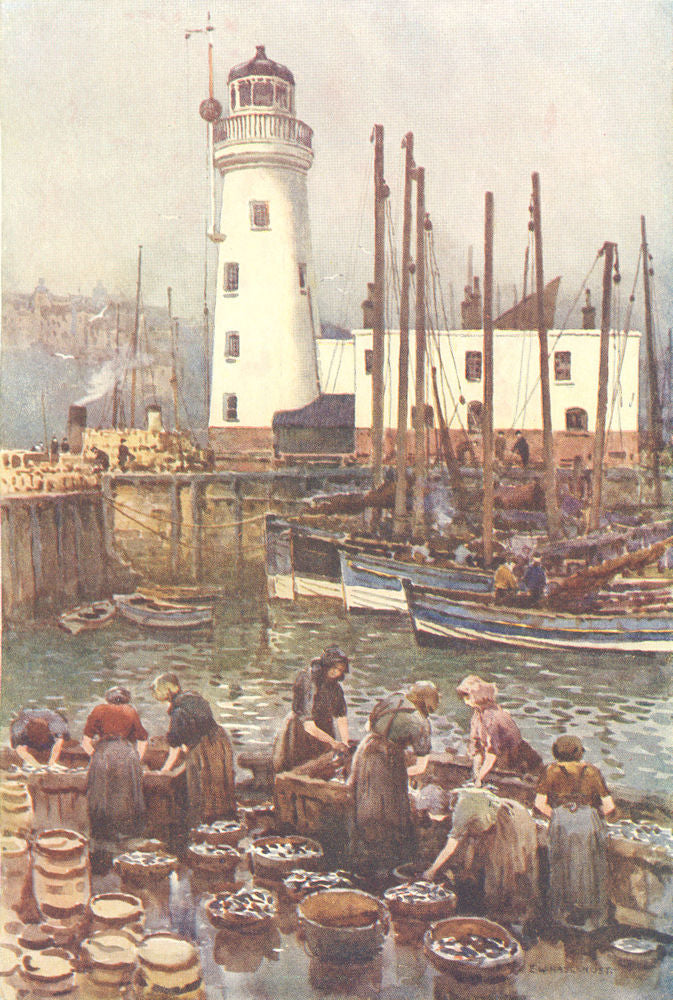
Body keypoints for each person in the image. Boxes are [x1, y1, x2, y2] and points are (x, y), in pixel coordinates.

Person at [347, 681, 439, 874]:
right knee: (389, 810)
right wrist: (398, 773)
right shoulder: (420, 721)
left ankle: (360, 854)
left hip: (365, 751)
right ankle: (386, 864)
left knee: (363, 801)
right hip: (387, 759)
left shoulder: (393, 699)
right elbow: (421, 766)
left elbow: (368, 726)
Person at [535, 735, 615, 930]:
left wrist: (557, 816)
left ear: (556, 751)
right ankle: (589, 917)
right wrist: (591, 816)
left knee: (562, 866)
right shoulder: (592, 771)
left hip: (562, 821)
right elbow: (609, 807)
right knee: (589, 867)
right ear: (579, 752)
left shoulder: (551, 771)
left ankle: (563, 915)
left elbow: (539, 804)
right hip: (588, 821)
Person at [424, 786, 539, 922]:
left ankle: (509, 918)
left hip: (510, 821)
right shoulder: (458, 797)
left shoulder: (461, 811)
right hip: (501, 816)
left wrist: (431, 870)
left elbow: (450, 847)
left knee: (506, 870)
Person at [152, 672, 236, 823]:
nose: (156, 693)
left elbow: (175, 745)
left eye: (158, 690)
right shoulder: (194, 698)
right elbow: (196, 725)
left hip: (203, 749)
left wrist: (165, 770)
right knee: (220, 785)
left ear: (168, 690)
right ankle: (224, 819)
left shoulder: (178, 712)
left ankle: (203, 824)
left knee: (199, 786)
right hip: (219, 742)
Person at [82, 686, 147, 841]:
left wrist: (97, 756)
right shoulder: (130, 711)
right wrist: (136, 760)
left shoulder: (99, 710)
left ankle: (101, 836)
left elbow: (86, 742)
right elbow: (143, 740)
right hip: (127, 755)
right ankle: (127, 834)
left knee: (100, 794)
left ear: (108, 698)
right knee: (127, 795)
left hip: (104, 754)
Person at [273, 647, 350, 773]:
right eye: (334, 668)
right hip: (300, 731)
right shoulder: (309, 680)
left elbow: (341, 715)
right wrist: (333, 743)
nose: (336, 672)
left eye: (340, 670)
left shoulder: (335, 687)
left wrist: (345, 744)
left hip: (323, 730)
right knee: (300, 767)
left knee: (325, 766)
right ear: (326, 665)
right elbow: (308, 724)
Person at [456, 675, 542, 785]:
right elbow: (476, 745)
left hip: (520, 760)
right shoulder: (478, 714)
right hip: (500, 756)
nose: (465, 702)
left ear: (477, 696)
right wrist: (476, 771)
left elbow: (492, 753)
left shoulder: (493, 717)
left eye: (467, 698)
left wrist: (479, 778)